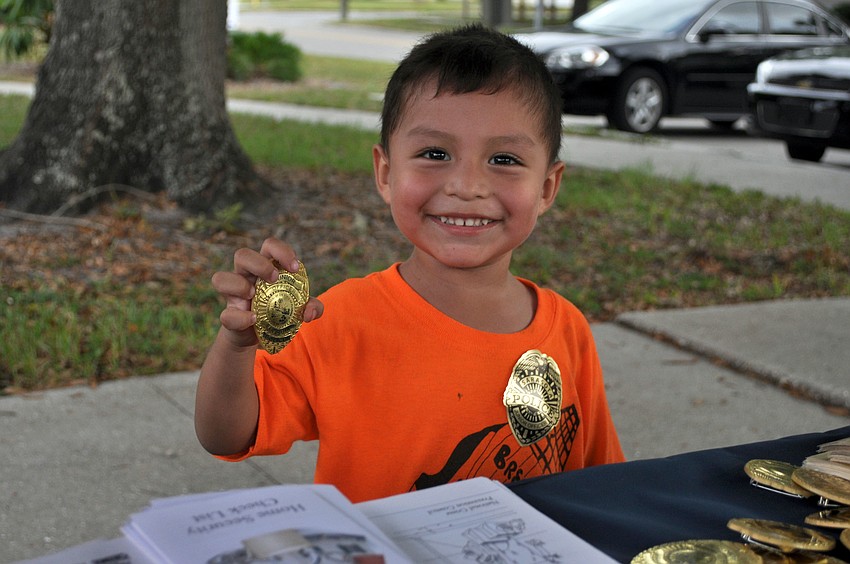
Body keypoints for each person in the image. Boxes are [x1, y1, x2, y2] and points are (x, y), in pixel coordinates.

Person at [195, 23, 624, 503]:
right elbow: (226, 435)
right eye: (434, 153)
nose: (466, 185)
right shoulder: (341, 321)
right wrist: (235, 349)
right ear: (385, 172)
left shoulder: (568, 330)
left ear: (546, 188)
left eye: (504, 159)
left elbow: (602, 488)